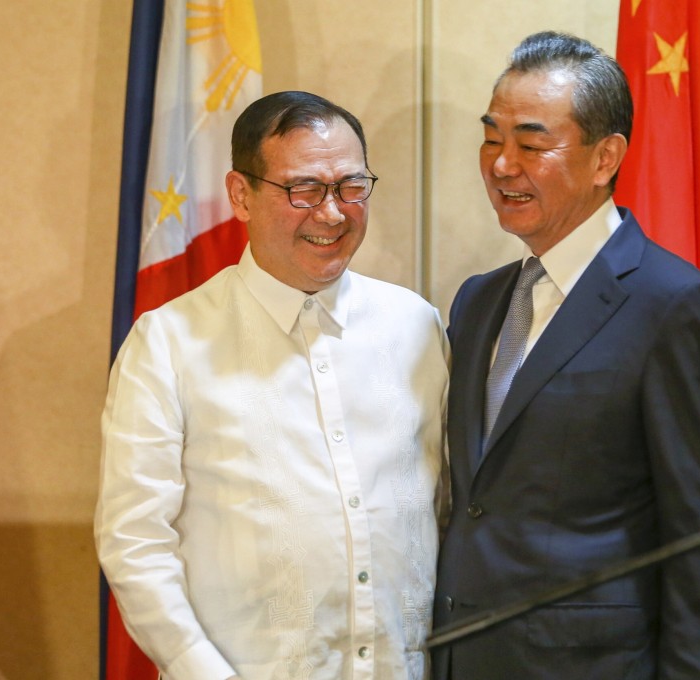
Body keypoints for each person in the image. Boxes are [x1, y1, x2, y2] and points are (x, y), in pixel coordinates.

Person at [95, 91, 449, 680]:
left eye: (351, 186)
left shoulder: (415, 325)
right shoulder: (169, 342)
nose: (332, 213)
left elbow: (449, 507)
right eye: (303, 190)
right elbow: (135, 541)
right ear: (241, 194)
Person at [432, 31, 700, 679]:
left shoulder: (673, 306)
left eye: (530, 142)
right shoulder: (476, 301)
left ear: (606, 157)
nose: (500, 164)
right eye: (492, 138)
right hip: (461, 658)